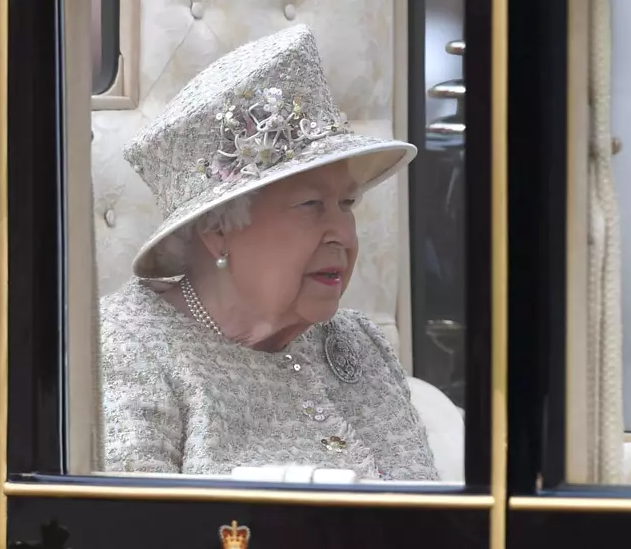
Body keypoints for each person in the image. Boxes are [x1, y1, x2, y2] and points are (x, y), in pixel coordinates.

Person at [99, 24, 439, 481]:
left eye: (347, 203)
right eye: (311, 205)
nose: (342, 232)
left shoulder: (358, 342)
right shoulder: (124, 348)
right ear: (219, 230)